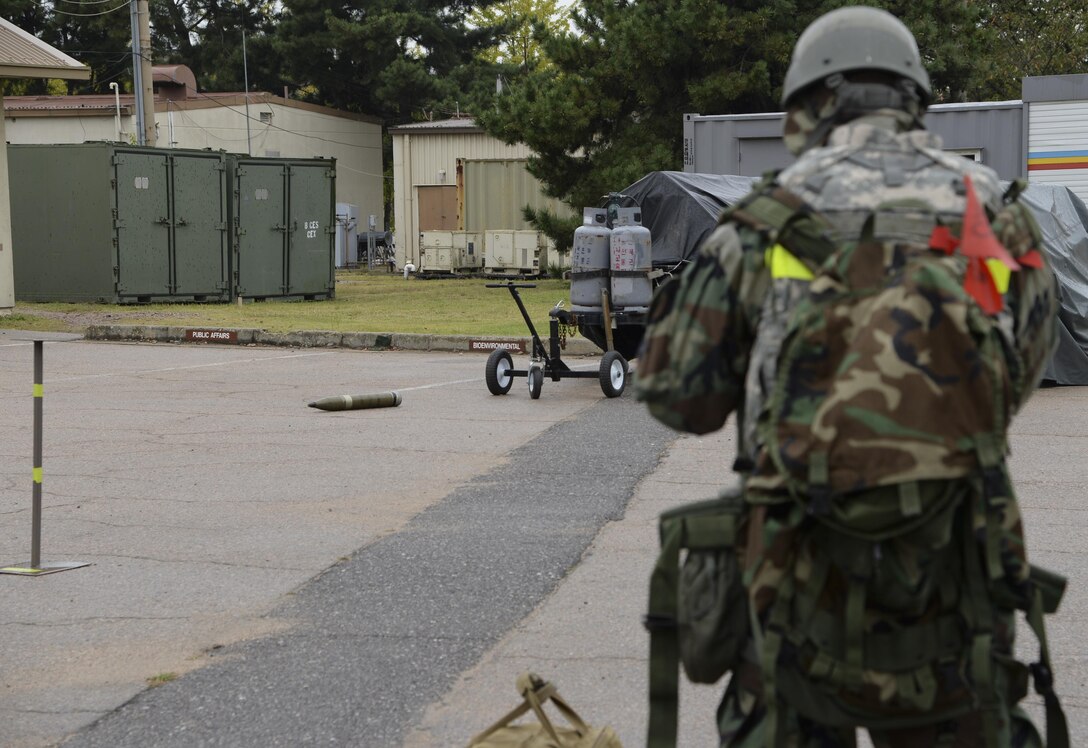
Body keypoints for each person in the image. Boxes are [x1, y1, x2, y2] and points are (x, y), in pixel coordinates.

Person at [636, 6, 1061, 747]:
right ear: (914, 100)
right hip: (953, 584)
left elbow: (679, 398)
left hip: (795, 595)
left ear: (807, 106)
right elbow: (1014, 377)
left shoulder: (763, 222)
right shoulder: (990, 215)